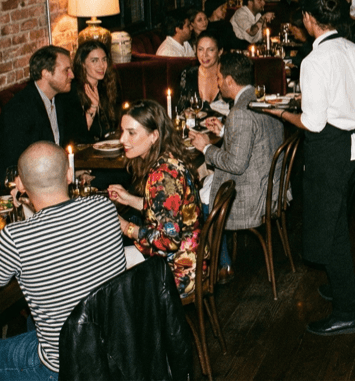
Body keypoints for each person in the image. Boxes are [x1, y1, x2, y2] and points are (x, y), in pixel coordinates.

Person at [0, 143, 126, 380]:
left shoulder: (15, 238)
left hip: (62, 366)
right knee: (31, 326)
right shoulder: (104, 207)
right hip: (114, 350)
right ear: (68, 173)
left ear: (20, 185)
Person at [267, 0, 355, 336]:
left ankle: (345, 311)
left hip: (329, 151)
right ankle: (344, 288)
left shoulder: (313, 61)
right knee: (338, 220)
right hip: (354, 149)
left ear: (310, 20)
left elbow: (312, 122)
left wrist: (282, 113)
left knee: (333, 231)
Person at [190, 53, 285, 281]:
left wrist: (205, 148)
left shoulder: (239, 113)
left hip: (253, 197)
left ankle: (219, 265)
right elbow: (257, 137)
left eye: (220, 78)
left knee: (200, 195)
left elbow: (235, 164)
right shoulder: (261, 98)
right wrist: (224, 131)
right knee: (208, 184)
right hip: (272, 187)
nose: (218, 82)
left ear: (231, 81)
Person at [107, 101, 202, 296]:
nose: (123, 139)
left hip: (179, 271)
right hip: (190, 255)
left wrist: (125, 226)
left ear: (154, 136)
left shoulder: (162, 175)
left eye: (131, 133)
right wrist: (129, 199)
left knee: (105, 280)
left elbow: (168, 240)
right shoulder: (169, 159)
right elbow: (167, 211)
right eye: (122, 131)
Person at [0, 46, 88, 175]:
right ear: (45, 73)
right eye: (66, 70)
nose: (71, 75)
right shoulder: (18, 109)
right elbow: (14, 165)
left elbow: (76, 140)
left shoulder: (61, 100)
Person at [72, 41, 120, 141]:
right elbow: (78, 136)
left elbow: (115, 124)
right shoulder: (73, 90)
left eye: (104, 60)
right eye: (94, 61)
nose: (101, 65)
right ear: (83, 63)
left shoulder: (108, 84)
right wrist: (92, 108)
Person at [177, 31, 229, 113]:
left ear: (220, 51)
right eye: (200, 49)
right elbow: (180, 109)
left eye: (210, 50)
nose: (204, 55)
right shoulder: (188, 74)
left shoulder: (228, 75)